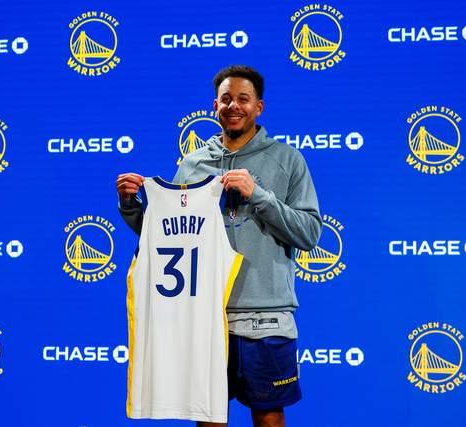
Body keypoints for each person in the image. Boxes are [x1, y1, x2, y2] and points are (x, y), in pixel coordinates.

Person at [117, 65, 321, 427]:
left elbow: (308, 234)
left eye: (244, 99)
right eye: (226, 99)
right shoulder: (193, 164)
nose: (234, 106)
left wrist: (258, 195)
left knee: (269, 416)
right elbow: (167, 237)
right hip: (202, 315)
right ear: (215, 106)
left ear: (259, 106)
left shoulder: (288, 160)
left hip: (265, 318)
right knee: (208, 416)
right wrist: (131, 206)